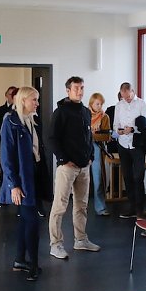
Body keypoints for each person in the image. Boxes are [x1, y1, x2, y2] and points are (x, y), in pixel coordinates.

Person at [0, 86, 51, 281]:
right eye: (34, 100)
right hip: (22, 180)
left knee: (25, 220)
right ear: (23, 101)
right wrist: (13, 185)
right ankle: (34, 265)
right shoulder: (10, 122)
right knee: (32, 221)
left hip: (34, 175)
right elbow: (6, 157)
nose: (37, 103)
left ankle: (20, 260)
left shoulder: (32, 121)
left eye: (37, 99)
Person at [47, 76, 100, 260]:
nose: (80, 91)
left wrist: (91, 156)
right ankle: (55, 244)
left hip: (84, 166)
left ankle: (81, 239)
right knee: (59, 206)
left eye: (82, 87)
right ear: (68, 91)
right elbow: (52, 138)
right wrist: (63, 159)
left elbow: (88, 137)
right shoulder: (60, 112)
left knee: (81, 206)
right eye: (76, 88)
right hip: (67, 167)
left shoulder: (85, 111)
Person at [113, 82, 146, 218]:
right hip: (123, 144)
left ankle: (140, 210)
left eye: (128, 97)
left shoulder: (142, 104)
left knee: (138, 177)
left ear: (132, 92)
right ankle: (132, 208)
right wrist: (118, 131)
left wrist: (133, 129)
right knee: (127, 177)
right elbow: (115, 124)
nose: (127, 99)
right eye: (124, 97)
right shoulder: (119, 105)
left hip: (137, 144)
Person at [88, 92, 112, 216]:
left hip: (97, 147)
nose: (99, 106)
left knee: (98, 179)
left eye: (101, 104)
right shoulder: (84, 114)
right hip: (84, 148)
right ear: (91, 103)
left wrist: (91, 136)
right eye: (97, 104)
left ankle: (100, 207)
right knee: (81, 179)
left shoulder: (105, 117)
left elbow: (106, 136)